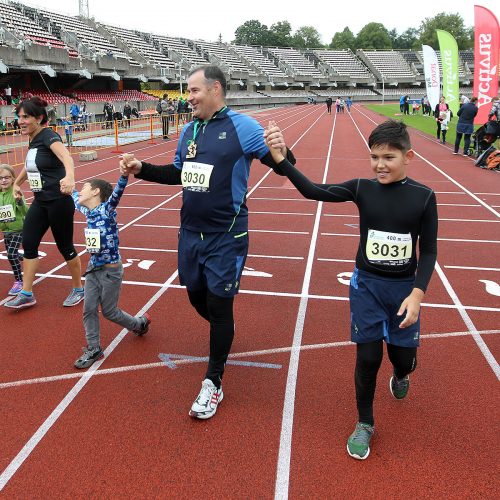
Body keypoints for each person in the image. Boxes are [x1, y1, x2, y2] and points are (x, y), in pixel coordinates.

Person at [120, 65, 295, 420]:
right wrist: (142, 168)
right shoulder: (189, 130)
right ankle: (223, 327)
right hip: (190, 234)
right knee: (197, 296)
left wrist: (283, 151)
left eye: (194, 90)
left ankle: (213, 382)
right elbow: (178, 173)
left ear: (216, 89)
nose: (189, 96)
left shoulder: (243, 127)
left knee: (218, 306)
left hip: (227, 235)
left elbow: (282, 166)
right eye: (188, 90)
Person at [264, 119, 438, 460]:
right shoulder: (362, 188)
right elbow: (314, 190)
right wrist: (281, 160)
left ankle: (402, 374)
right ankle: (365, 423)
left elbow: (428, 251)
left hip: (404, 291)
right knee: (368, 358)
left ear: (409, 157)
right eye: (374, 157)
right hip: (367, 288)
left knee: (403, 359)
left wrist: (417, 294)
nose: (379, 165)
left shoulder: (424, 198)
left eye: (388, 157)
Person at [4, 97, 84, 309]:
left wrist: (69, 177)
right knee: (29, 243)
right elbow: (30, 166)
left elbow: (67, 157)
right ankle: (27, 293)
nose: (20, 121)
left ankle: (78, 288)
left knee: (64, 246)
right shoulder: (33, 138)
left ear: (39, 118)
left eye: (25, 117)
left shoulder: (49, 136)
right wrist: (17, 184)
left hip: (58, 201)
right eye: (19, 117)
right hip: (40, 201)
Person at [71, 174, 152, 369]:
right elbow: (73, 197)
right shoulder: (87, 210)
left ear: (96, 192)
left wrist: (124, 175)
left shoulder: (106, 210)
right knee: (88, 309)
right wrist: (67, 187)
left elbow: (117, 194)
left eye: (84, 187)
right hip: (93, 269)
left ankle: (139, 324)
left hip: (110, 272)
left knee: (109, 311)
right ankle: (94, 348)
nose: (81, 191)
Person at [0, 164, 28, 295]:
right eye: (0, 178)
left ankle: (19, 281)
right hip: (5, 230)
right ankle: (19, 255)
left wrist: (19, 202)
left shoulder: (16, 193)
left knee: (11, 255)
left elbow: (26, 212)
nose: (3, 180)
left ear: (13, 179)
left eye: (7, 177)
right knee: (13, 254)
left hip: (18, 229)